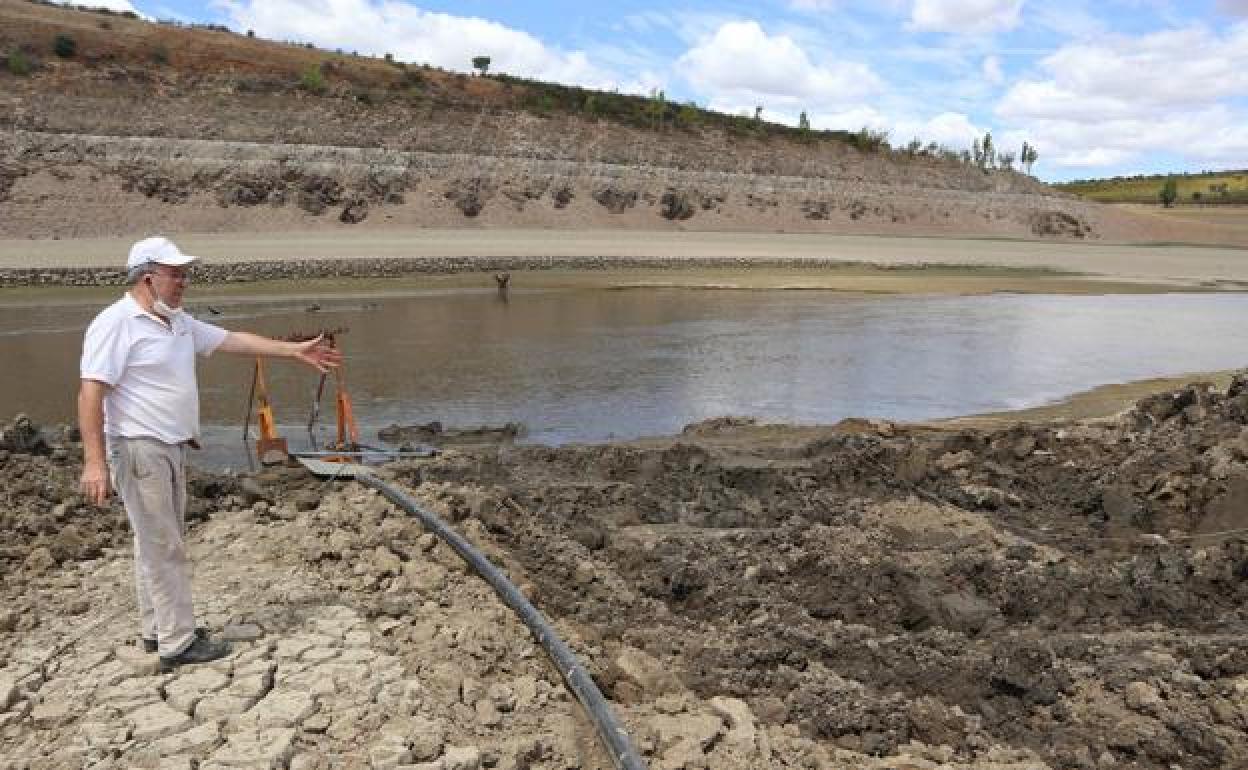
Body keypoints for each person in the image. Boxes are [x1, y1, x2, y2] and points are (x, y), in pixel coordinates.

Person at [78, 236, 341, 671]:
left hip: (169, 447)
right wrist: (94, 461)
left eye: (185, 273)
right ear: (148, 277)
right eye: (175, 273)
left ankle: (158, 630)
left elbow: (231, 340)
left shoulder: (176, 322)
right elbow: (91, 392)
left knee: (155, 543)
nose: (184, 281)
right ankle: (178, 643)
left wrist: (293, 351)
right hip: (139, 448)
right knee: (165, 546)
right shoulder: (116, 323)